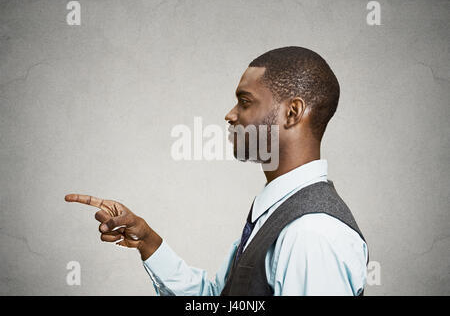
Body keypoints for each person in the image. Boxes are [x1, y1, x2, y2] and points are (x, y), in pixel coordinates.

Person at [65, 46, 368, 296]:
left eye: (244, 101)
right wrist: (147, 240)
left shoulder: (311, 234)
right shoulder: (278, 214)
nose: (230, 114)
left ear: (292, 113)